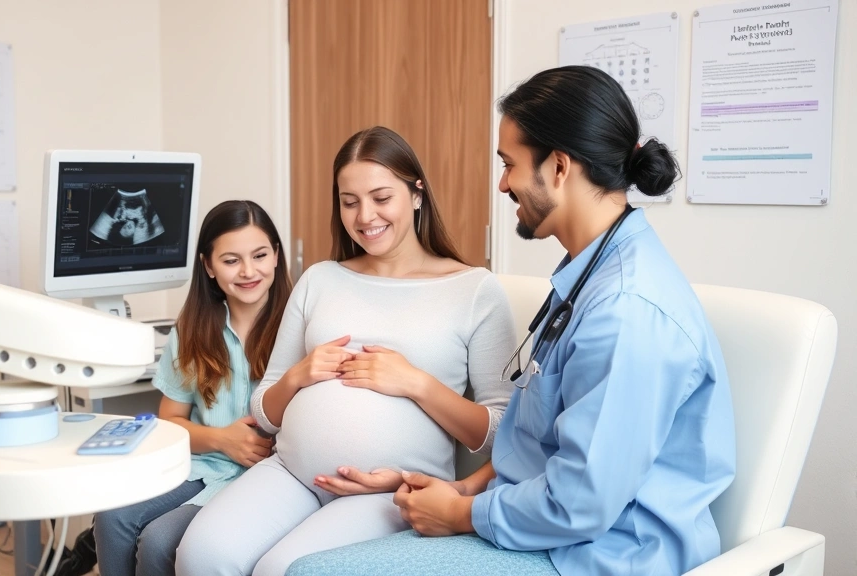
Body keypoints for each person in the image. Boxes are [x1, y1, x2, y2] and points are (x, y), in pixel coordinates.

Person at [285, 65, 737, 576]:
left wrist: (461, 512)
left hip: (599, 553)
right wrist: (460, 489)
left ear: (559, 168)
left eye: (509, 164)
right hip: (535, 521)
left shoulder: (627, 313)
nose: (502, 184)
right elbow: (539, 445)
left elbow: (579, 505)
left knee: (311, 572)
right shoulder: (585, 277)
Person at [175, 126, 518, 576]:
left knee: (284, 570)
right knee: (201, 554)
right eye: (349, 201)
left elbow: (502, 431)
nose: (364, 216)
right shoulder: (320, 279)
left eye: (381, 197)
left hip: (387, 492)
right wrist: (299, 375)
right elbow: (264, 408)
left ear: (416, 194)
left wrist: (417, 384)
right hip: (293, 473)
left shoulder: (474, 290)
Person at [93, 199, 292, 575]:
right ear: (208, 266)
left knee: (159, 541)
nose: (249, 271)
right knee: (111, 514)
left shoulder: (298, 325)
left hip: (265, 477)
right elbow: (170, 421)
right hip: (201, 464)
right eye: (231, 260)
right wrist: (221, 439)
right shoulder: (193, 329)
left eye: (260, 255)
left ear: (277, 256)